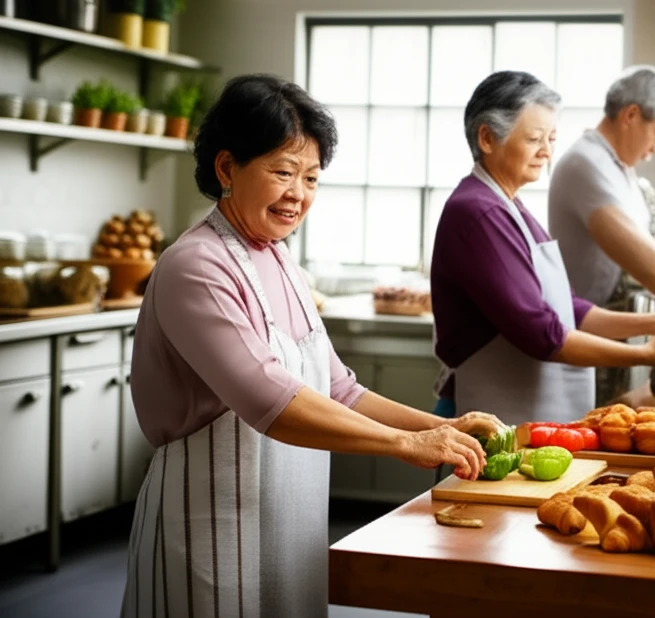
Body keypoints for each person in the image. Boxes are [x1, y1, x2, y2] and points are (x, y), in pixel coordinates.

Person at [120, 74, 501, 618]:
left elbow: (339, 390)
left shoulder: (279, 258)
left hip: (288, 522)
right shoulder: (196, 266)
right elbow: (269, 400)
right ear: (227, 168)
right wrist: (405, 444)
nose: (298, 194)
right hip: (210, 524)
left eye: (312, 177)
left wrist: (440, 427)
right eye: (283, 172)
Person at [430, 71, 655, 427]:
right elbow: (542, 333)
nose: (547, 152)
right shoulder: (478, 212)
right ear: (487, 138)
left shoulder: (510, 208)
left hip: (523, 417)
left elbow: (568, 309)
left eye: (551, 138)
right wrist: (646, 353)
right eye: (534, 139)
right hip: (488, 421)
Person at [548, 65, 655, 314]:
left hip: (617, 321)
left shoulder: (620, 168)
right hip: (585, 324)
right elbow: (644, 261)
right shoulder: (585, 163)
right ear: (631, 115)